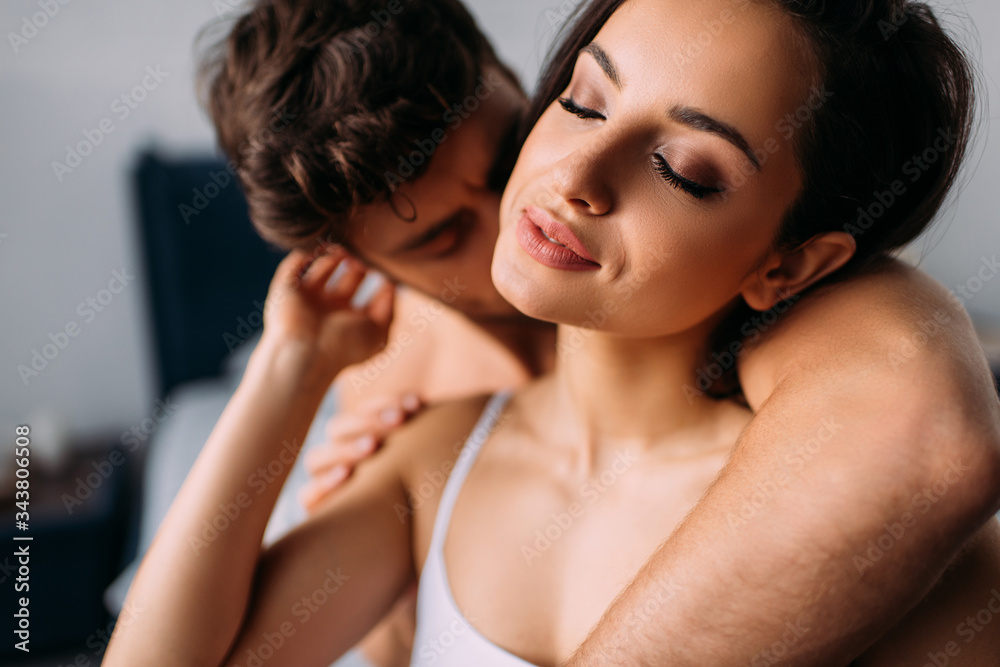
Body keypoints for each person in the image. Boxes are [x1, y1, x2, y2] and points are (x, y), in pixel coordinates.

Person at [103, 0, 1000, 664]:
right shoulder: (428, 446)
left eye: (684, 169)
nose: (569, 179)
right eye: (584, 100)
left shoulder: (854, 520)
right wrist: (288, 367)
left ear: (791, 264)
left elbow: (927, 438)